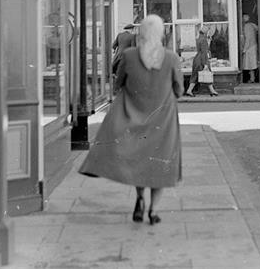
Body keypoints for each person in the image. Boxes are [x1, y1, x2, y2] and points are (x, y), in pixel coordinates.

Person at [79, 15, 183, 225]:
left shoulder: (129, 56)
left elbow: (118, 85)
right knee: (158, 164)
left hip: (135, 117)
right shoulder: (171, 58)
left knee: (140, 160)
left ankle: (139, 199)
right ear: (161, 34)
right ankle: (153, 211)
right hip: (163, 121)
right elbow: (179, 90)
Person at [185, 26, 219, 97]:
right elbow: (204, 52)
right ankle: (212, 91)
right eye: (208, 32)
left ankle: (190, 90)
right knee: (207, 73)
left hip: (197, 59)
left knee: (195, 75)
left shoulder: (198, 38)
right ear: (206, 32)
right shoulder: (204, 40)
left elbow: (201, 50)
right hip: (202, 60)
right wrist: (205, 64)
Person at [241, 13, 258, 83]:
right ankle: (252, 78)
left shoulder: (247, 26)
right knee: (251, 65)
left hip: (249, 47)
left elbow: (248, 38)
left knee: (250, 65)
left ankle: (251, 79)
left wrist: (244, 50)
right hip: (253, 46)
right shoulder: (252, 25)